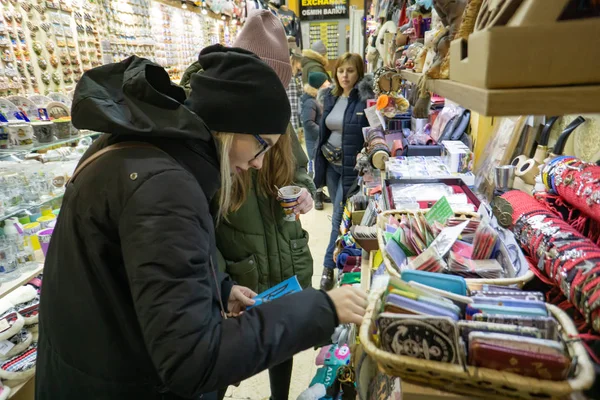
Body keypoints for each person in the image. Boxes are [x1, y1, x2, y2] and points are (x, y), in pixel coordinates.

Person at [35, 45, 368, 400]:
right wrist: (320, 309)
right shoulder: (165, 187)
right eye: (263, 145)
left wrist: (219, 288)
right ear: (232, 127)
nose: (259, 164)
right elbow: (194, 361)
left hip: (95, 367)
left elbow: (136, 267)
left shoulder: (145, 147)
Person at [179, 11, 317, 400]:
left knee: (282, 340)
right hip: (241, 263)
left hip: (285, 254)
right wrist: (221, 282)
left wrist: (304, 191)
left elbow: (302, 171)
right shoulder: (207, 128)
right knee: (225, 357)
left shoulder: (279, 123)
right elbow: (198, 230)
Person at [314, 53, 373, 291]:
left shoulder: (364, 99)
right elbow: (324, 131)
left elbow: (373, 132)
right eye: (340, 71)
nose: (345, 76)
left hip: (351, 168)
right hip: (330, 164)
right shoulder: (330, 96)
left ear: (359, 72)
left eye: (350, 71)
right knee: (341, 215)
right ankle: (345, 260)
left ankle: (328, 267)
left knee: (338, 215)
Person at [301, 71, 330, 209]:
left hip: (320, 140)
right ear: (319, 85)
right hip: (314, 142)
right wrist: (323, 132)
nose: (328, 84)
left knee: (321, 167)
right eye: (325, 82)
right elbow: (308, 123)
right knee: (315, 169)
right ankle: (315, 195)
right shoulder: (310, 102)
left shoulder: (319, 98)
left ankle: (320, 192)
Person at [287, 51, 303, 132]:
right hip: (291, 103)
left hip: (296, 104)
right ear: (296, 62)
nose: (302, 64)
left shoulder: (298, 75)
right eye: (300, 62)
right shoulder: (289, 75)